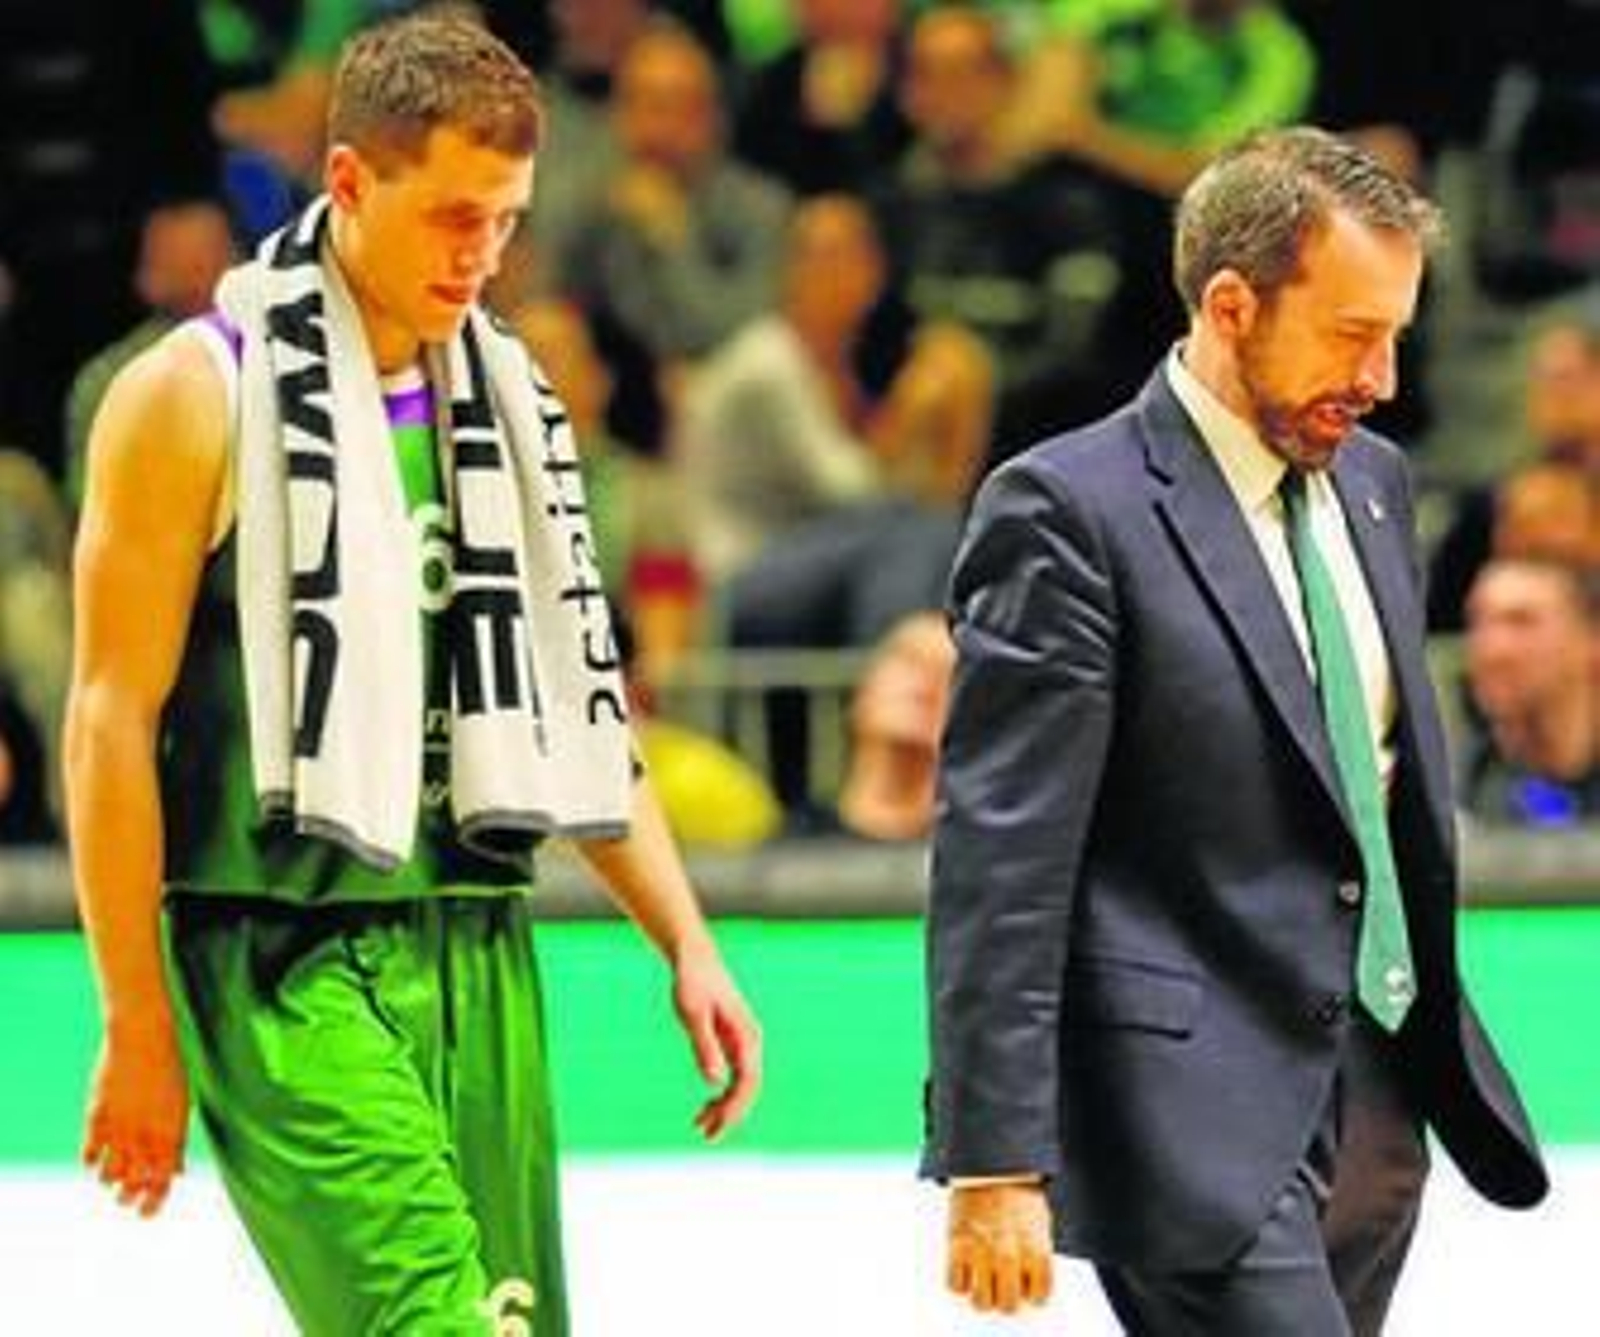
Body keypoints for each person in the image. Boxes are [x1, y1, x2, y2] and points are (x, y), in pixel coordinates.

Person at [64, 15, 760, 1337]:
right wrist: (135, 1021)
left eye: (503, 221)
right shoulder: (191, 396)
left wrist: (685, 938)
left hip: (473, 936)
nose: (481, 255)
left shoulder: (510, 401)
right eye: (451, 216)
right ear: (346, 184)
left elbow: (575, 703)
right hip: (283, 949)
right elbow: (107, 720)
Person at [924, 126, 1548, 1333]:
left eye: (1396, 336)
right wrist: (992, 1156)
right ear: (1229, 305)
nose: (1382, 380)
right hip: (1181, 1105)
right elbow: (1002, 854)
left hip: (1376, 1086)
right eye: (1353, 335)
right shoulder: (1064, 509)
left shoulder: (1374, 481)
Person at [1458, 556, 1599, 827]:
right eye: (1477, 622)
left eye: (1522, 622)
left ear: (1590, 642)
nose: (1491, 650)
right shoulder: (1454, 791)